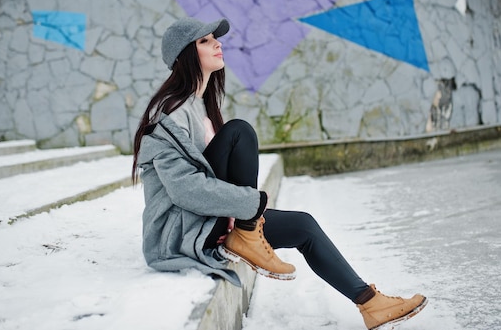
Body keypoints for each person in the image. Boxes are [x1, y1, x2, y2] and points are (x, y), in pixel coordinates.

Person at [132, 17, 428, 330]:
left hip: (207, 220)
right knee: (239, 132)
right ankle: (247, 231)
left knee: (303, 225)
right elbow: (184, 189)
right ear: (185, 54)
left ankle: (370, 303)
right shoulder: (168, 114)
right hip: (183, 231)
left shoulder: (202, 105)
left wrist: (246, 205)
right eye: (205, 41)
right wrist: (250, 202)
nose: (218, 44)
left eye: (214, 39)